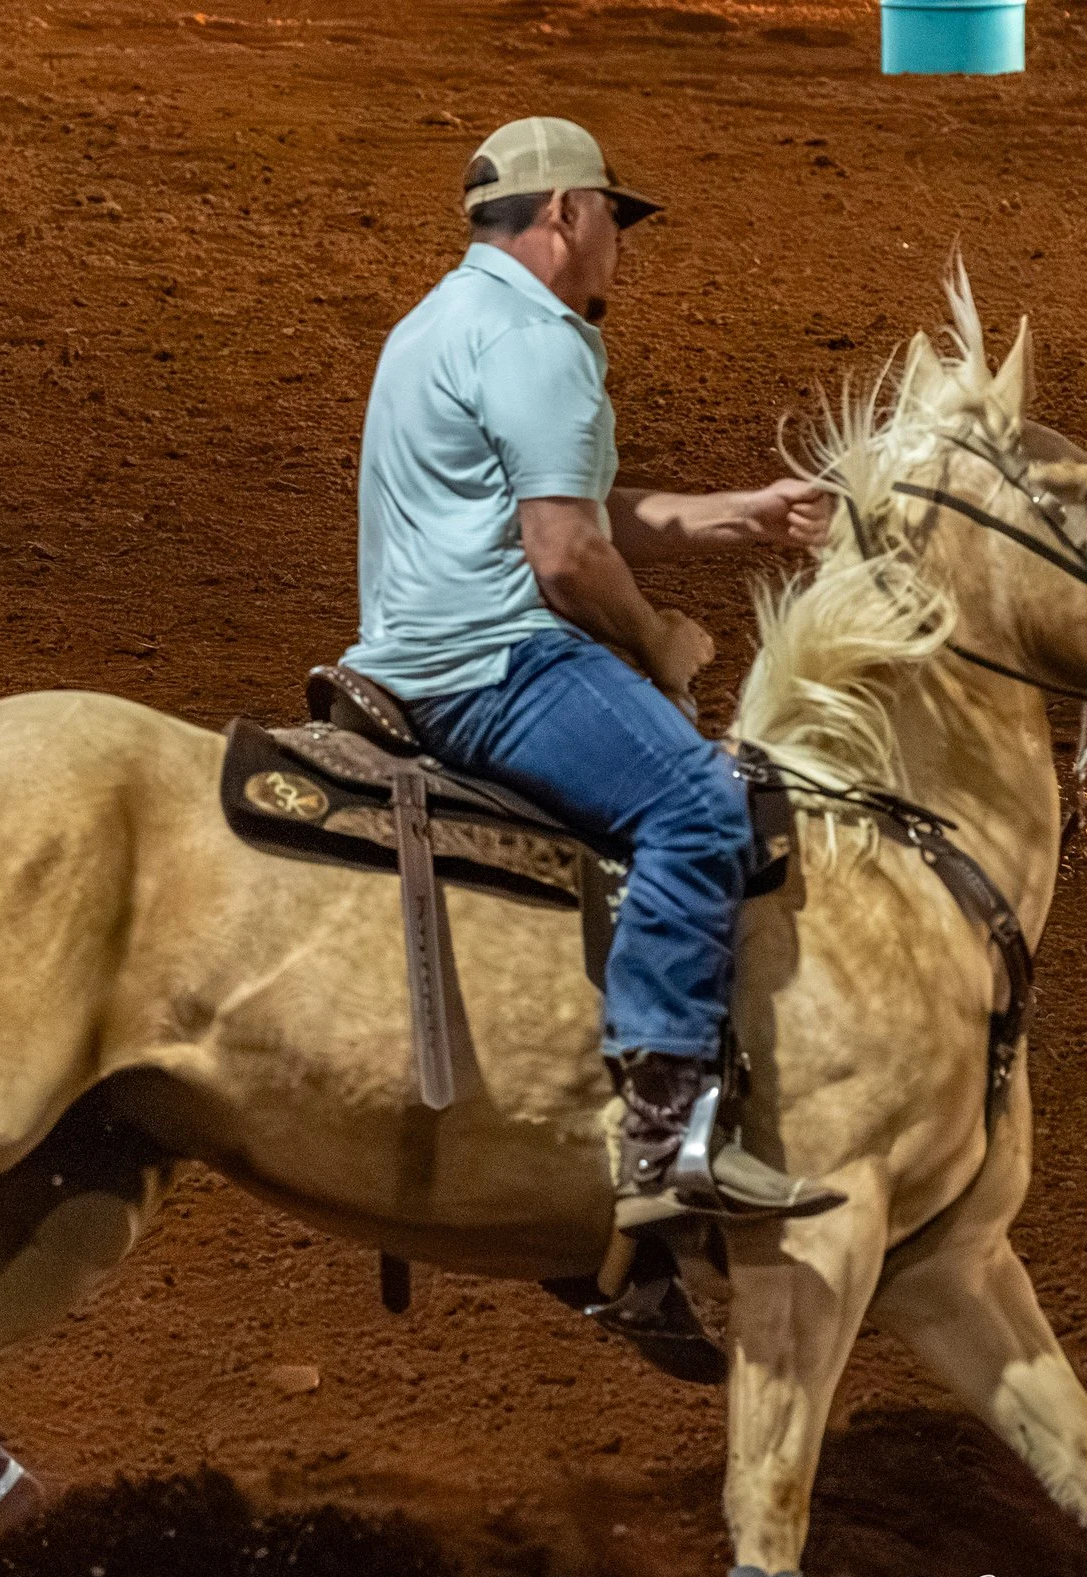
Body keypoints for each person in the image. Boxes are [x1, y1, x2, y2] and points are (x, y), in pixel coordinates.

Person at [340, 116, 836, 1224]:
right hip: (493, 663)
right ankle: (666, 1138)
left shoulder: (439, 321)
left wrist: (742, 514)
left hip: (416, 649)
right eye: (615, 214)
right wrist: (657, 640)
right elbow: (564, 558)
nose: (621, 241)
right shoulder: (537, 339)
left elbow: (574, 512)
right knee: (703, 806)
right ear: (565, 212)